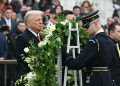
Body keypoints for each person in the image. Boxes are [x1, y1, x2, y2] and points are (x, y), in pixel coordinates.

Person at [64, 10, 114, 86]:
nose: (85, 29)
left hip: (95, 80)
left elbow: (76, 64)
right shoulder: (109, 40)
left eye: (87, 26)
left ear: (96, 23)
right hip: (107, 79)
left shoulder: (94, 42)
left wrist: (66, 55)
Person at [15, 10, 44, 86]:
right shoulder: (21, 38)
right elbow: (27, 60)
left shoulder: (42, 37)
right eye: (38, 20)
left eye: (41, 20)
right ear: (29, 23)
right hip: (27, 79)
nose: (41, 22)